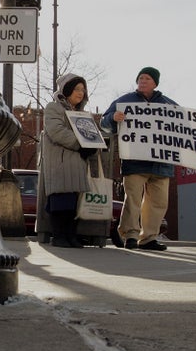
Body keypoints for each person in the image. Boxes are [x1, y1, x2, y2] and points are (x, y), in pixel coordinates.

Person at [100, 66, 175, 251]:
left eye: (147, 78)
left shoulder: (170, 105)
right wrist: (112, 118)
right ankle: (130, 235)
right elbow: (104, 123)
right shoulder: (125, 101)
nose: (142, 81)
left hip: (161, 164)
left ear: (155, 83)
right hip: (135, 161)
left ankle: (149, 238)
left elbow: (185, 129)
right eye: (140, 78)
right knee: (132, 199)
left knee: (158, 203)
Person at [40, 73, 97, 247]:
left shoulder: (82, 114)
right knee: (60, 198)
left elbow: (91, 135)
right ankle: (59, 236)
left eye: (83, 89)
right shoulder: (53, 108)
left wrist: (93, 143)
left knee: (73, 201)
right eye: (77, 89)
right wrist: (81, 144)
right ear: (67, 90)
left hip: (77, 163)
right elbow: (56, 131)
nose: (81, 92)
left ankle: (71, 235)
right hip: (60, 161)